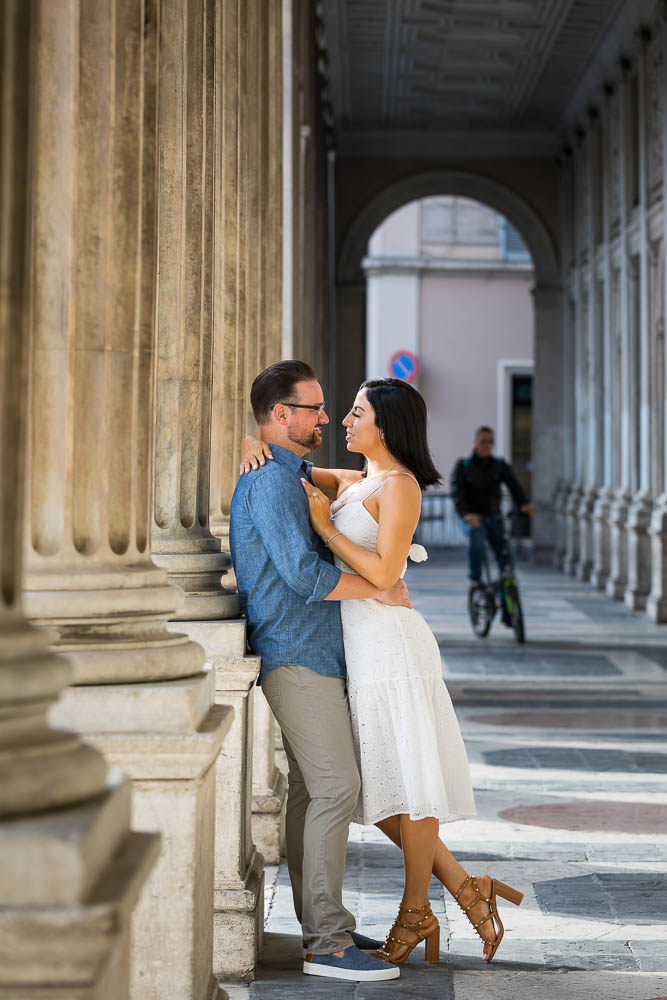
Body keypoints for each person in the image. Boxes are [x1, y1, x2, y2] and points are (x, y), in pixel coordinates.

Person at [241, 377, 524, 967]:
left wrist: (323, 530)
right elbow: (286, 472)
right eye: (328, 411)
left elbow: (385, 568)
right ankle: (467, 893)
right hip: (353, 648)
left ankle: (415, 909)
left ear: (386, 425)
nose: (339, 419)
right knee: (381, 787)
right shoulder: (355, 479)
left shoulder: (399, 486)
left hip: (390, 648)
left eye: (352, 412)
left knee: (405, 784)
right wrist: (249, 442)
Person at [229, 360, 407, 984]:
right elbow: (303, 576)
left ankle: (320, 923)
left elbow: (368, 477)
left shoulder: (290, 470)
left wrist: (254, 441)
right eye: (315, 409)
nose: (327, 419)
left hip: (314, 653)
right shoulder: (272, 484)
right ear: (283, 415)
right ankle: (328, 943)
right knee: (338, 788)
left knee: (312, 791)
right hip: (295, 653)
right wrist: (376, 588)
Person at [451, 427, 534, 595]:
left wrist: (523, 504)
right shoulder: (464, 466)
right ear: (475, 442)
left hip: (494, 516)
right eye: (483, 441)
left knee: (506, 558)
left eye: (490, 441)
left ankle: (508, 605)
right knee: (477, 535)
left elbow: (513, 485)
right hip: (472, 517)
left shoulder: (499, 465)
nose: (486, 445)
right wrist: (466, 514)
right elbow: (457, 493)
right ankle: (476, 580)